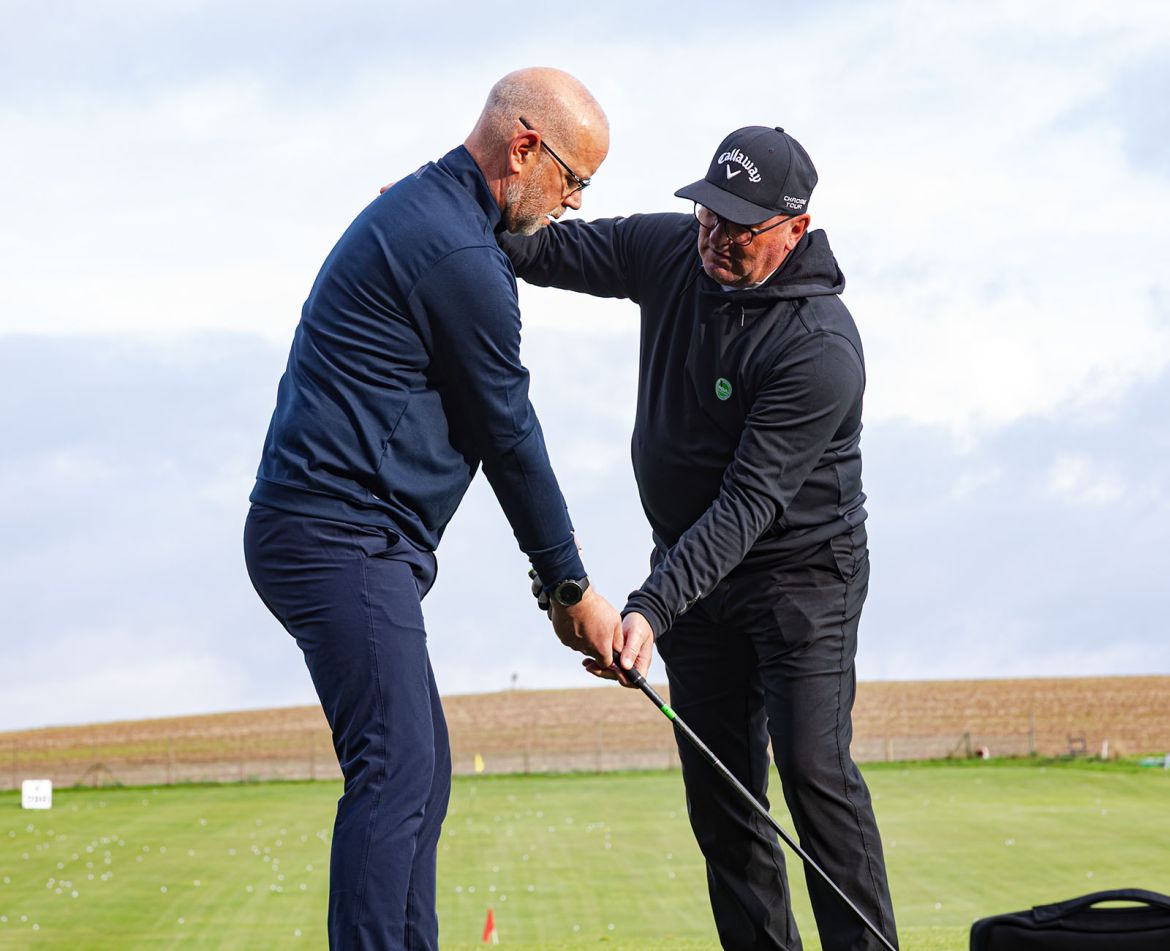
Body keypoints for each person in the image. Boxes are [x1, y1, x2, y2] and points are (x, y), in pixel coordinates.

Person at [243, 68, 623, 951]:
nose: (574, 203)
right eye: (574, 179)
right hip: (338, 535)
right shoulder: (456, 253)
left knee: (421, 770)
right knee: (396, 768)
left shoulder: (440, 217)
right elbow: (509, 433)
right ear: (524, 148)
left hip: (346, 535)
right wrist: (571, 586)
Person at [502, 126, 899, 950]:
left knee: (814, 775)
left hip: (802, 583)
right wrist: (452, 212)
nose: (715, 238)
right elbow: (544, 250)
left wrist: (650, 608)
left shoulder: (820, 348)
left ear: (795, 227)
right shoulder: (675, 251)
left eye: (740, 227)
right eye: (708, 214)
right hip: (695, 578)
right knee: (722, 802)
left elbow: (746, 504)